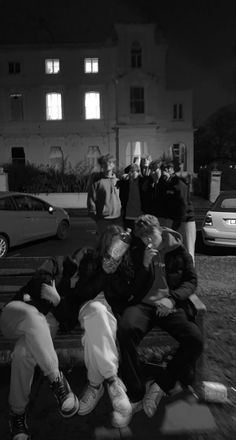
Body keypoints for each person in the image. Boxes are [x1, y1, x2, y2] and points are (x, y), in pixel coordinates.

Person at [116, 214, 203, 426]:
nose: (148, 240)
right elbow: (132, 289)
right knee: (125, 330)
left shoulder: (177, 249)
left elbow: (191, 281)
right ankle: (136, 392)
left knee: (195, 339)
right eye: (143, 237)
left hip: (169, 306)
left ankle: (161, 384)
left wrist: (172, 300)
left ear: (160, 230)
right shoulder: (137, 251)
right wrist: (144, 265)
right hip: (143, 305)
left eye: (151, 235)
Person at [0, 258, 80, 440]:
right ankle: (56, 379)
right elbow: (38, 281)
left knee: (22, 354)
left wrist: (58, 301)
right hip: (15, 314)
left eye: (78, 275)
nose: (75, 278)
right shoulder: (54, 266)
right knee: (33, 314)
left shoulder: (74, 294)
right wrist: (50, 287)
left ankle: (17, 414)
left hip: (41, 329)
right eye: (73, 272)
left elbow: (68, 321)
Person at [158, 160, 196, 263]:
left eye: (165, 170)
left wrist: (176, 224)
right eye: (162, 171)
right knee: (175, 250)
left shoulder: (179, 184)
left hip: (185, 220)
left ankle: (191, 275)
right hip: (174, 220)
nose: (163, 173)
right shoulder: (166, 183)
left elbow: (183, 206)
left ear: (171, 170)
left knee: (188, 251)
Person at [87, 154, 123, 236]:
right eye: (104, 163)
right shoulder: (96, 182)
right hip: (103, 220)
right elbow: (91, 200)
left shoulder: (118, 181)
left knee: (117, 244)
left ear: (113, 164)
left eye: (110, 162)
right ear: (101, 165)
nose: (107, 165)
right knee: (103, 245)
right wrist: (97, 218)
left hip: (118, 219)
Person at [117, 163, 145, 230]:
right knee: (129, 236)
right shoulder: (125, 183)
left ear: (138, 172)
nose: (131, 173)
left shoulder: (143, 181)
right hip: (128, 215)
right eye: (129, 172)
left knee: (139, 236)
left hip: (140, 214)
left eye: (133, 171)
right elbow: (121, 195)